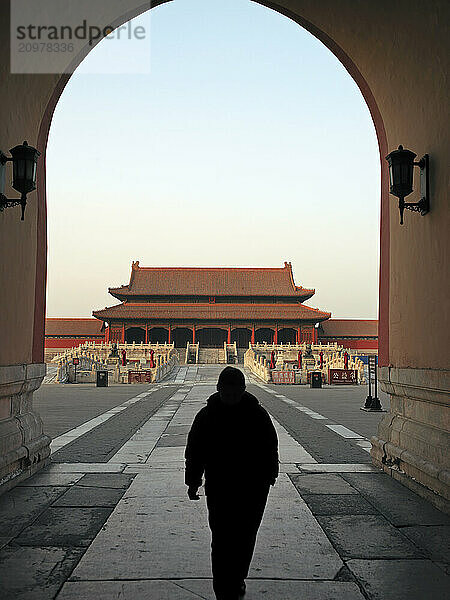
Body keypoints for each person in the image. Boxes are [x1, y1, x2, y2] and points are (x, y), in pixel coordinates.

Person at [185, 366, 279, 600]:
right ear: (218, 389)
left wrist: (271, 475)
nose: (231, 399)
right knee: (221, 535)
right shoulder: (206, 416)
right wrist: (193, 481)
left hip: (253, 486)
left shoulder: (258, 414)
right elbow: (195, 451)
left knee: (246, 534)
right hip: (220, 485)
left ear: (243, 390)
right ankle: (222, 584)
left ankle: (237, 576)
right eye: (227, 394)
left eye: (235, 394)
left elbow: (270, 447)